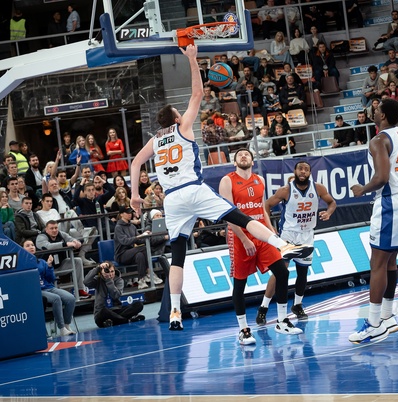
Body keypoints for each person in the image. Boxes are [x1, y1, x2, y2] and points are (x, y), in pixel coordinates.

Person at [129, 45, 313, 331]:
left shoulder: (154, 141)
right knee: (241, 218)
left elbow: (135, 163)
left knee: (178, 255)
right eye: (179, 113)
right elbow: (197, 94)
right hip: (192, 188)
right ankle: (282, 244)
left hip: (172, 200)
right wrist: (192, 59)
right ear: (177, 118)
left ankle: (175, 311)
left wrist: (134, 195)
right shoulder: (183, 128)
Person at [348, 98, 398, 343]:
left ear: (382, 115)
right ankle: (387, 316)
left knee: (377, 263)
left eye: (376, 110)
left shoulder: (378, 140)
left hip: (393, 203)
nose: (373, 112)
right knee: (390, 259)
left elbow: (382, 178)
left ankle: (374, 324)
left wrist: (362, 189)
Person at [219, 149, 305, 344]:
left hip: (261, 233)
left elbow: (262, 208)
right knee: (240, 284)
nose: (243, 156)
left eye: (247, 154)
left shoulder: (259, 180)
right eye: (239, 155)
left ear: (252, 161)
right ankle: (243, 330)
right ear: (234, 162)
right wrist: (244, 239)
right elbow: (228, 214)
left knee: (282, 272)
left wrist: (270, 232)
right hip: (240, 235)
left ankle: (282, 321)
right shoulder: (227, 181)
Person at [256, 161, 337, 324]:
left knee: (303, 273)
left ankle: (297, 305)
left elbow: (332, 202)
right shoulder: (286, 190)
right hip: (288, 236)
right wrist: (269, 227)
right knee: (279, 273)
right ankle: (263, 307)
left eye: (306, 169)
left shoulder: (318, 188)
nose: (303, 172)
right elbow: (266, 205)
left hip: (307, 235)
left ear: (310, 173)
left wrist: (328, 213)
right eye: (300, 169)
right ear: (295, 171)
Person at [23, 240, 76, 337]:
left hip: (49, 287)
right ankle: (62, 328)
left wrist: (49, 266)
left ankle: (66, 325)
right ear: (22, 249)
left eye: (32, 245)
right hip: (38, 290)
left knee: (71, 298)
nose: (31, 247)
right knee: (56, 298)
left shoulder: (42, 262)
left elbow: (51, 279)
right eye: (27, 245)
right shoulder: (22, 264)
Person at [35, 220, 91, 299]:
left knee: (77, 261)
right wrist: (65, 244)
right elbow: (48, 246)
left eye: (56, 228)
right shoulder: (41, 237)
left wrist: (76, 242)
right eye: (51, 228)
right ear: (46, 230)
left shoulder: (61, 234)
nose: (54, 230)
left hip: (60, 264)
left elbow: (71, 239)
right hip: (47, 269)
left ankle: (80, 290)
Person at [113, 206, 162, 290]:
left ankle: (141, 279)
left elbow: (139, 241)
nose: (130, 214)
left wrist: (147, 235)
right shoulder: (118, 227)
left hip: (132, 253)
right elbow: (125, 241)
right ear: (121, 214)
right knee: (144, 249)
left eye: (130, 212)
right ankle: (149, 272)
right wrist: (139, 236)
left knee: (140, 255)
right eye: (127, 213)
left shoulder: (132, 226)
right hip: (121, 254)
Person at [84, 261, 145, 328]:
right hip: (103, 311)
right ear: (102, 272)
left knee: (139, 305)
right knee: (103, 312)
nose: (110, 274)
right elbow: (86, 282)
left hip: (116, 310)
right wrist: (98, 268)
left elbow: (116, 295)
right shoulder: (98, 280)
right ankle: (126, 320)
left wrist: (108, 280)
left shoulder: (119, 280)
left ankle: (114, 321)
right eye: (108, 271)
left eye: (112, 271)